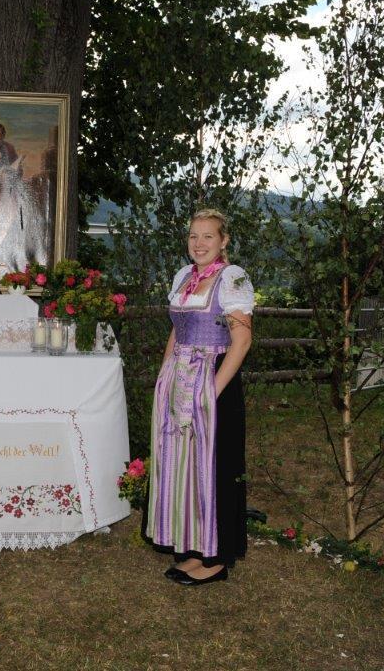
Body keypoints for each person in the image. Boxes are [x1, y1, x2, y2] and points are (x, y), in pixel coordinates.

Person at [146, 208, 254, 586]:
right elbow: (177, 331)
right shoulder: (184, 277)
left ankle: (217, 559)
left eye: (208, 236)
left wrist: (211, 391)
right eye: (194, 235)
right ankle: (194, 547)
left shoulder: (233, 278)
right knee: (184, 465)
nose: (199, 243)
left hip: (213, 379)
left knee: (214, 467)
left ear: (224, 241)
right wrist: (165, 376)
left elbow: (242, 340)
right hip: (179, 378)